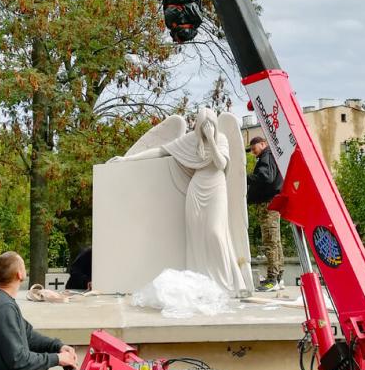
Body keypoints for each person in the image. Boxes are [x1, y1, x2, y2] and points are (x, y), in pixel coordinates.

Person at [109, 107, 247, 294]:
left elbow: (221, 164)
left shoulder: (221, 139)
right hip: (196, 189)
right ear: (198, 126)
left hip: (216, 187)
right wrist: (128, 159)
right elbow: (161, 151)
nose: (207, 128)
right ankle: (201, 284)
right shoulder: (191, 140)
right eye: (203, 126)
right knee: (196, 237)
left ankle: (225, 285)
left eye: (210, 125)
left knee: (216, 234)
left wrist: (212, 139)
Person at [247, 136, 284, 292]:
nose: (253, 152)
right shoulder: (269, 156)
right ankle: (279, 278)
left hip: (268, 205)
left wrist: (245, 178)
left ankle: (272, 280)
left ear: (263, 144)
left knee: (270, 242)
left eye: (254, 148)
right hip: (272, 204)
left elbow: (265, 177)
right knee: (275, 242)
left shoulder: (266, 156)